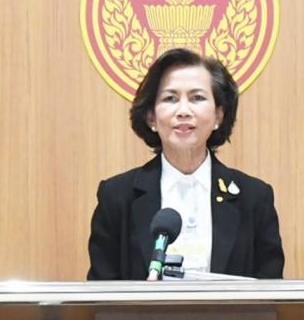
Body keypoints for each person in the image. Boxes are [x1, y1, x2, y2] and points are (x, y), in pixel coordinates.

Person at [87, 47, 284, 280]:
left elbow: (271, 290)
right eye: (170, 98)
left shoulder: (254, 198)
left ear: (218, 115)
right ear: (151, 117)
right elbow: (101, 292)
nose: (183, 111)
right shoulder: (117, 197)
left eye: (197, 98)